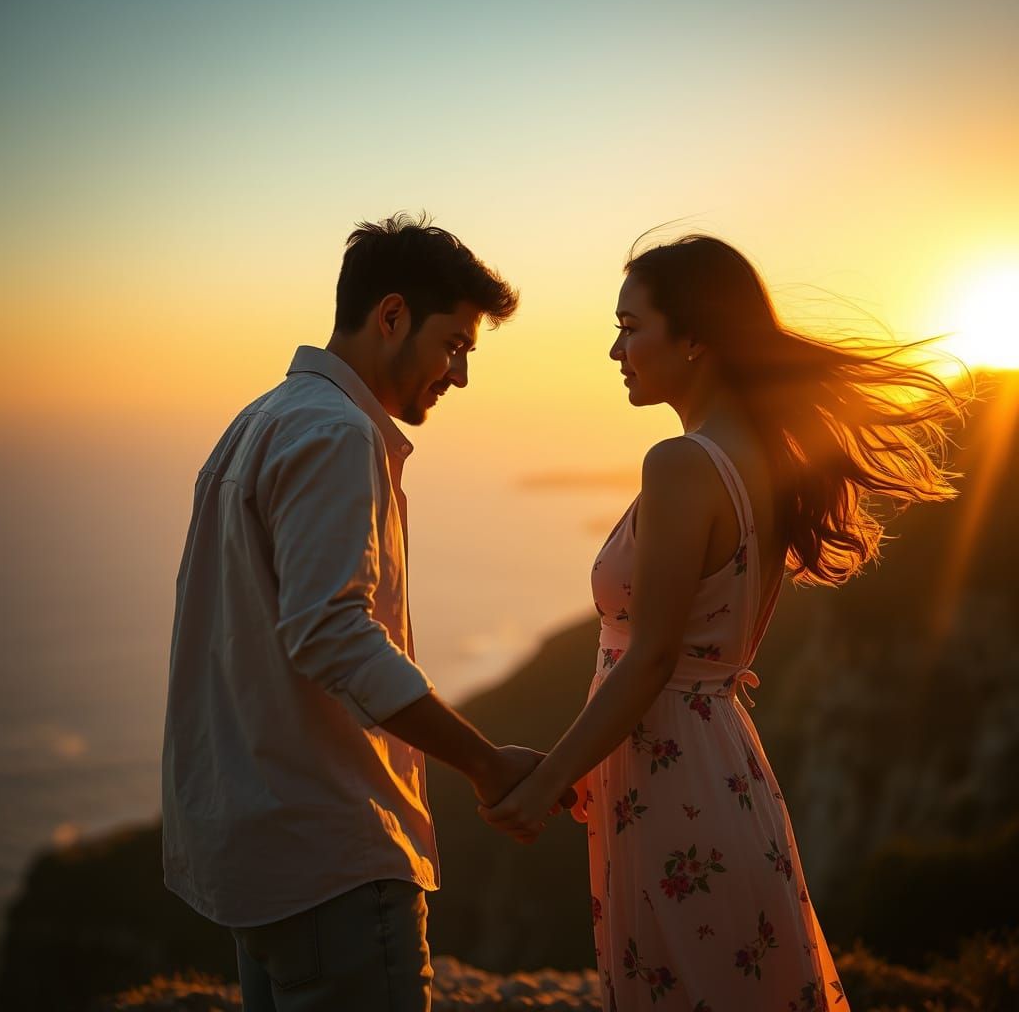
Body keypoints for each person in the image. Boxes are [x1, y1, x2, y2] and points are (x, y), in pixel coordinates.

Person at [482, 233, 967, 1010]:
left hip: (672, 778)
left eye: (632, 327)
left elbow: (649, 660)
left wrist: (547, 780)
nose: (616, 349)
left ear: (697, 338)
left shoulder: (681, 465)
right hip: (717, 765)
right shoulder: (765, 458)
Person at [162, 214, 540, 1012]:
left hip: (256, 855)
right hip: (332, 858)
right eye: (455, 345)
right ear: (391, 315)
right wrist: (485, 763)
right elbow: (331, 632)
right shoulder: (336, 434)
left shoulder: (257, 422)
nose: (460, 375)